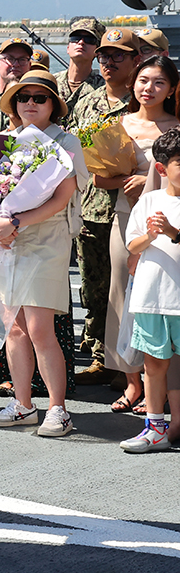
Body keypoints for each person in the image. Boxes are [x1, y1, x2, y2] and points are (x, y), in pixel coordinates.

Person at [0, 71, 89, 436]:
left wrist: (17, 221)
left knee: (41, 328)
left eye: (39, 97)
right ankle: (23, 404)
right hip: (6, 241)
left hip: (46, 240)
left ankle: (58, 409)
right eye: (22, 96)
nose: (30, 102)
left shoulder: (67, 142)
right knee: (13, 328)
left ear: (53, 105)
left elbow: (62, 198)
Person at [97, 56, 180, 413]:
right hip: (126, 216)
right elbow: (99, 178)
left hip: (171, 219)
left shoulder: (177, 127)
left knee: (163, 298)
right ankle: (132, 382)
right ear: (133, 83)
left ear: (172, 89)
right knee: (123, 294)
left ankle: (159, 388)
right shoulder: (118, 125)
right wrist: (126, 181)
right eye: (144, 80)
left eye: (159, 82)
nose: (149, 88)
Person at [72, 28, 143, 386]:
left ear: (136, 60)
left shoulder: (143, 100)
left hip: (131, 207)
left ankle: (132, 363)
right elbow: (72, 146)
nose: (109, 62)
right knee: (94, 287)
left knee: (131, 288)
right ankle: (101, 354)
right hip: (89, 205)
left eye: (118, 56)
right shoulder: (87, 100)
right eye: (104, 56)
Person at [121, 127, 180, 451]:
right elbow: (133, 244)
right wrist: (151, 236)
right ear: (161, 169)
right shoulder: (150, 201)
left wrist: (172, 231)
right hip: (152, 298)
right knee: (153, 365)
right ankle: (155, 428)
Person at [55, 17, 105, 119]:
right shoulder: (51, 82)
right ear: (68, 48)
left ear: (97, 51)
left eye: (89, 40)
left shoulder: (103, 88)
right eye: (75, 38)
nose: (81, 42)